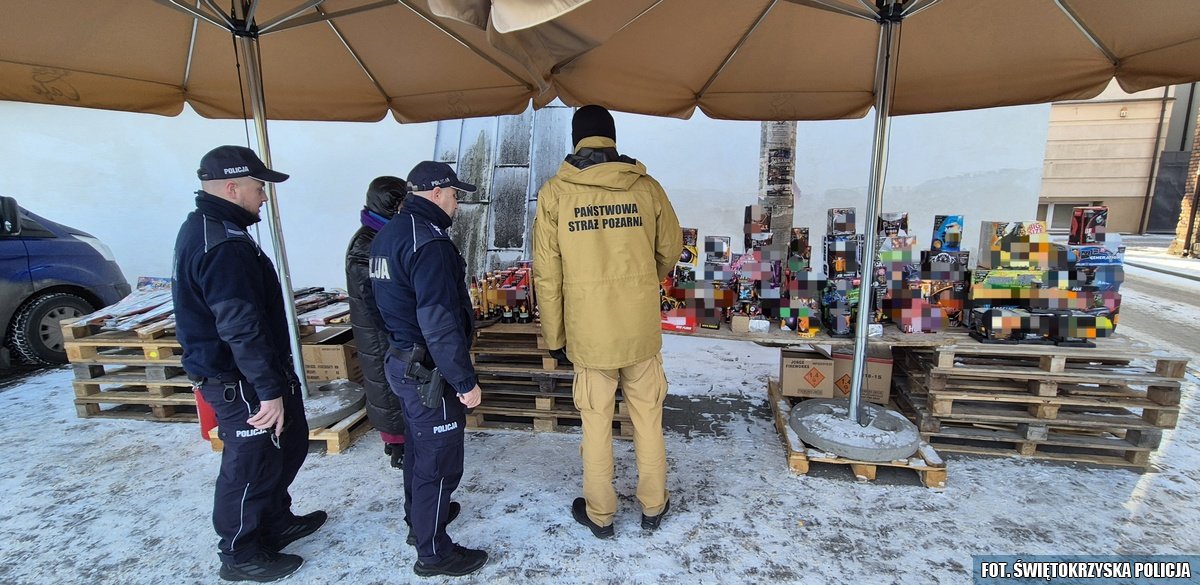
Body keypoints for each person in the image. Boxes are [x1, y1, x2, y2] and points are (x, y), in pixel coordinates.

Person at [173, 145, 326, 582]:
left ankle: (273, 521)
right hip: (237, 379)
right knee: (250, 462)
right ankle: (239, 552)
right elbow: (239, 325)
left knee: (288, 446)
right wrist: (267, 390)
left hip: (254, 371)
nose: (264, 196)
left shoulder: (219, 229)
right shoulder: (222, 245)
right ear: (231, 187)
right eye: (259, 187)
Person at [532, 105, 682, 539]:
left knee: (595, 424)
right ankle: (654, 505)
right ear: (612, 138)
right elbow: (671, 248)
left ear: (576, 139)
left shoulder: (555, 193)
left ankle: (600, 515)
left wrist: (555, 336)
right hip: (639, 329)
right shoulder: (646, 187)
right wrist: (643, 280)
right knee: (648, 418)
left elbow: (547, 274)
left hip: (589, 332)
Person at [370, 160, 488, 578]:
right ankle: (434, 552)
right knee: (438, 461)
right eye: (455, 195)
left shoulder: (388, 234)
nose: (457, 204)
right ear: (437, 193)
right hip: (428, 371)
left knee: (419, 450)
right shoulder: (430, 243)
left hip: (402, 359)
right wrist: (464, 380)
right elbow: (439, 321)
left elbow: (379, 303)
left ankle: (418, 519)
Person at [346, 176, 408, 468]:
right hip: (379, 330)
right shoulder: (366, 243)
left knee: (394, 384)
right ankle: (397, 445)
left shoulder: (381, 235)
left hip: (388, 325)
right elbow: (372, 295)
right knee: (386, 386)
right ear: (391, 205)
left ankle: (401, 440)